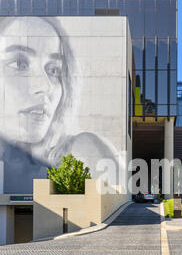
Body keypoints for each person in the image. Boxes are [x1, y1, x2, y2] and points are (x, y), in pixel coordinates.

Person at [0, 16, 120, 194]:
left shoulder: (83, 152)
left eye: (54, 70)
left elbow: (109, 206)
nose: (45, 86)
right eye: (19, 64)